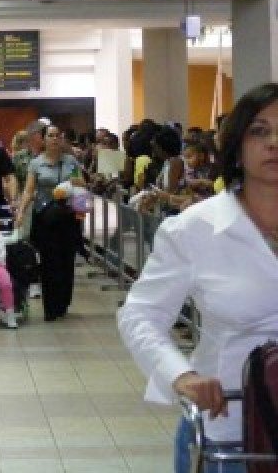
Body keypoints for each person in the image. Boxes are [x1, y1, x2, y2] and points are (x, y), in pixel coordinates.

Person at [118, 82, 278, 473]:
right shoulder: (196, 228)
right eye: (260, 131)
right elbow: (139, 316)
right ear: (236, 147)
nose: (275, 142)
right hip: (235, 433)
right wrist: (181, 375)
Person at [17, 124, 84, 320]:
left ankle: (63, 301)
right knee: (48, 261)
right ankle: (51, 306)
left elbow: (81, 186)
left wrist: (80, 213)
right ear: (43, 139)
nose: (54, 139)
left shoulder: (71, 161)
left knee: (66, 260)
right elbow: (29, 191)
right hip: (45, 217)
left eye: (57, 135)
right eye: (50, 135)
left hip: (68, 217)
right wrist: (21, 212)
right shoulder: (36, 164)